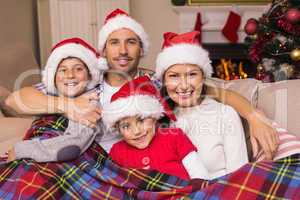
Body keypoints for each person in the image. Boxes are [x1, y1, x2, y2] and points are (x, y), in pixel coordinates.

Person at [5, 8, 278, 158]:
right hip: (91, 160)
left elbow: (219, 91)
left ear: (141, 49)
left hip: (142, 163)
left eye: (131, 42)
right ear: (103, 49)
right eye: (114, 42)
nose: (123, 50)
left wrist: (253, 116)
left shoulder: (155, 82)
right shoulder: (85, 81)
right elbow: (15, 101)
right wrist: (68, 106)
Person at [156, 31, 248, 178]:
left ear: (203, 77)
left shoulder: (225, 115)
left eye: (192, 74)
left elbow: (239, 177)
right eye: (174, 76)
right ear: (164, 81)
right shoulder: (157, 118)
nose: (184, 86)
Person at [7, 37, 103, 162]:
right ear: (54, 76)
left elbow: (73, 144)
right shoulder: (50, 90)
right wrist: (68, 106)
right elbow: (11, 101)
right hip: (35, 146)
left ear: (90, 75)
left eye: (78, 69)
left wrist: (21, 150)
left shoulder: (90, 98)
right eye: (63, 70)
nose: (70, 75)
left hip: (50, 155)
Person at [103, 76, 210, 180]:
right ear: (118, 129)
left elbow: (198, 173)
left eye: (141, 120)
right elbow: (114, 183)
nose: (136, 131)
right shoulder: (118, 151)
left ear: (154, 117)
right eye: (126, 126)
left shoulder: (174, 136)